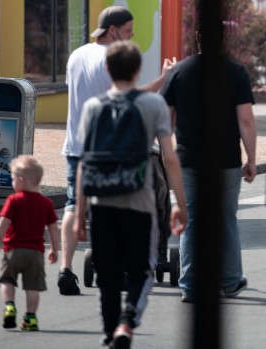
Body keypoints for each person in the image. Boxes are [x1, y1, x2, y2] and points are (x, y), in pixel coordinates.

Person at [75, 41, 187, 349]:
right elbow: (169, 157)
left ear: (107, 69)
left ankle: (110, 332)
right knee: (142, 271)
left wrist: (79, 213)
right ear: (138, 70)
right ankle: (127, 322)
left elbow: (85, 162)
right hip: (140, 201)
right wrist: (178, 202)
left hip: (101, 203)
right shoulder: (153, 106)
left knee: (108, 275)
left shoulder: (93, 107)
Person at [59, 5, 170, 296]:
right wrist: (162, 80)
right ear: (113, 30)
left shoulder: (76, 55)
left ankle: (66, 268)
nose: (131, 38)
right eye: (129, 32)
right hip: (107, 149)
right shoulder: (110, 58)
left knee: (73, 205)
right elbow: (128, 96)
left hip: (75, 145)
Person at [159, 30, 257, 303]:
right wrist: (251, 157)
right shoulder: (236, 72)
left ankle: (190, 285)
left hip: (189, 160)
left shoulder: (178, 72)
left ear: (197, 40)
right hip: (225, 159)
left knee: (191, 220)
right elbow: (246, 120)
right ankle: (229, 280)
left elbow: (165, 120)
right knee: (226, 218)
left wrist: (167, 154)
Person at [0, 155, 60, 332]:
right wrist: (55, 249)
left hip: (13, 250)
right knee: (32, 287)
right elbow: (53, 228)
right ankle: (30, 318)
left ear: (21, 180)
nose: (12, 182)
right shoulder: (46, 203)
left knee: (7, 279)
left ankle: (10, 306)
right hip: (35, 253)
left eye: (13, 178)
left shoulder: (14, 200)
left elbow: (4, 223)